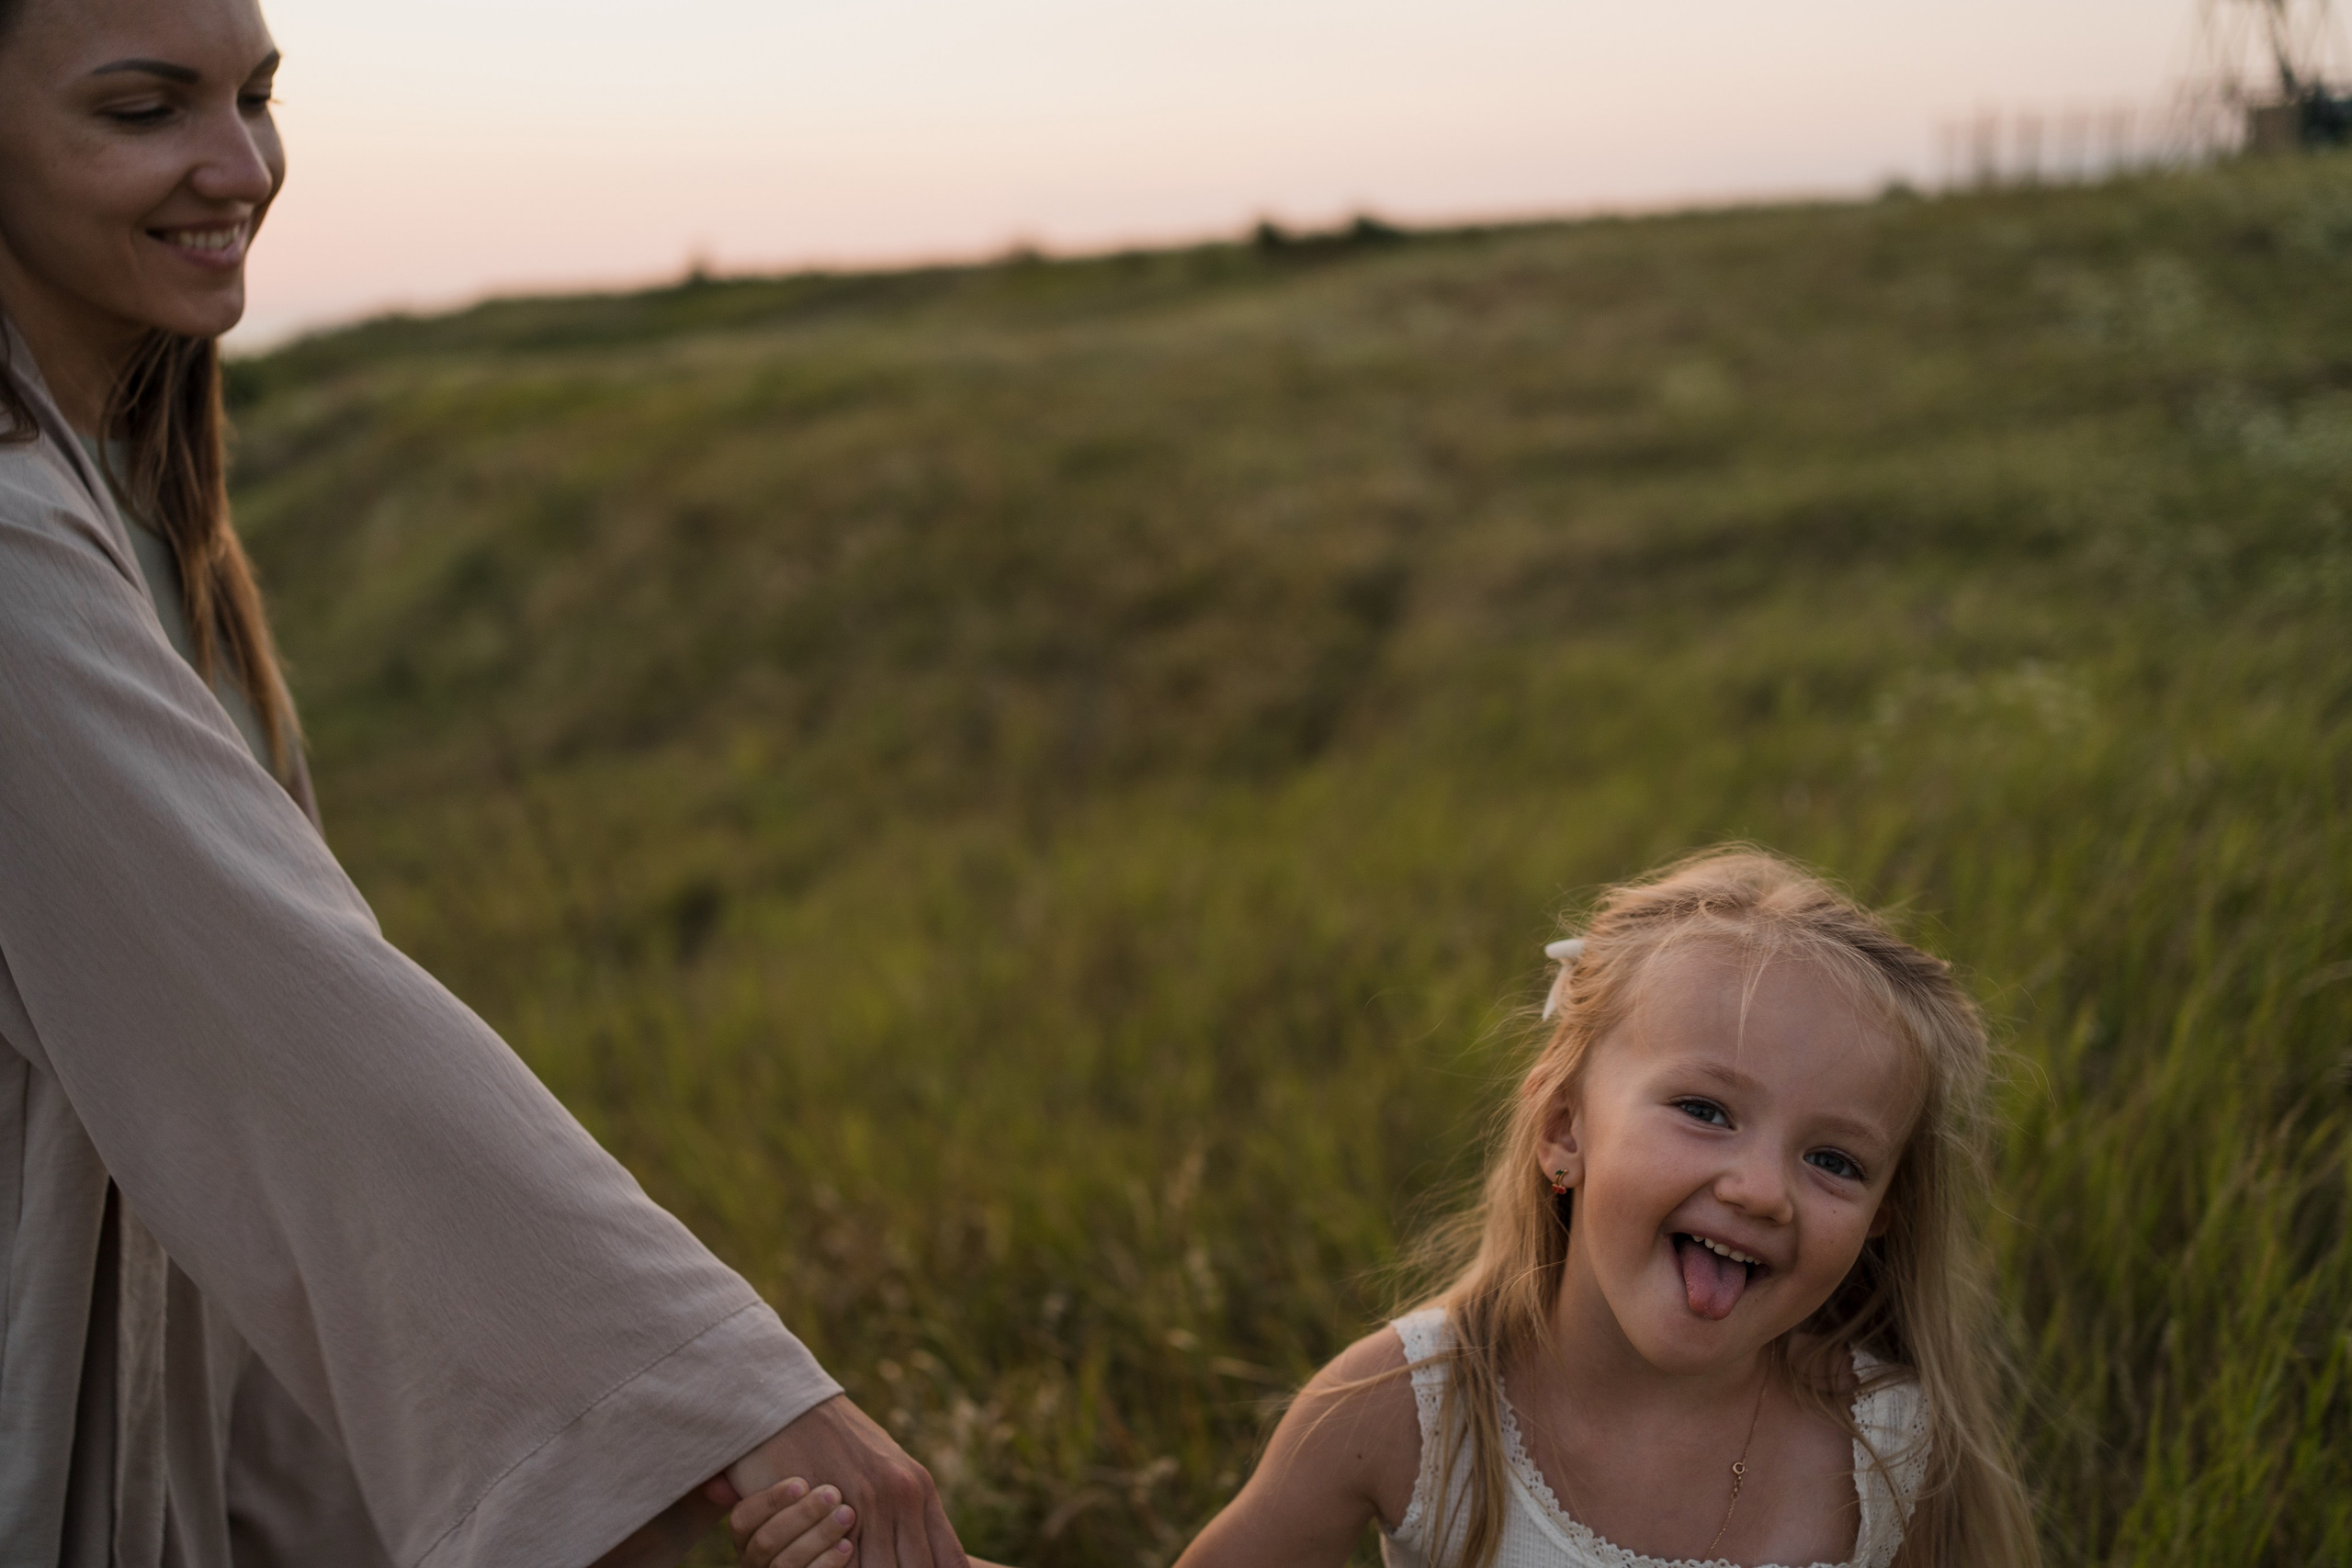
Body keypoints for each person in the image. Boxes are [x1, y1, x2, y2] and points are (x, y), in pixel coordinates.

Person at [0, 1, 967, 1564]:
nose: (237, 164)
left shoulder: (118, 492)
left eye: (256, 97)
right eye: (143, 111)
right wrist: (729, 1399)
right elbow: (283, 1007)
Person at [742, 850, 2047, 1568]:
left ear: (1881, 1218)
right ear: (1561, 1134)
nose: (1760, 1186)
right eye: (1706, 1112)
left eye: (1835, 1162)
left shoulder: (1884, 1441)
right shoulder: (1413, 1412)